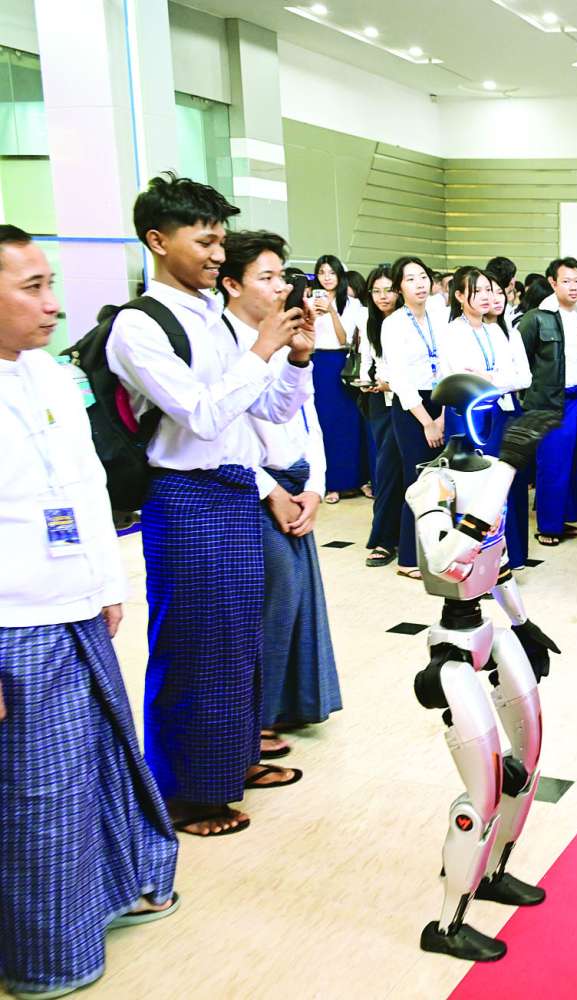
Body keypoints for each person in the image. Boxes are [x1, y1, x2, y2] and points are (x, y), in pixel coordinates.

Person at [0, 225, 180, 1000]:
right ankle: (47, 954)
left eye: (50, 283)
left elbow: (86, 484)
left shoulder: (49, 373)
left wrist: (107, 582)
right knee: (36, 793)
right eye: (32, 287)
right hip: (14, 626)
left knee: (100, 763)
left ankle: (111, 892)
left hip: (75, 605)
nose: (53, 303)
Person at [106, 174, 309, 836]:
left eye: (222, 241)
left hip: (232, 489)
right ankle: (184, 794)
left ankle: (232, 761)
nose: (219, 254)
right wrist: (261, 348)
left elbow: (267, 410)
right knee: (192, 648)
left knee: (237, 643)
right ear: (158, 241)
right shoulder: (140, 324)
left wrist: (295, 360)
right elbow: (199, 414)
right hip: (183, 497)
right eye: (205, 241)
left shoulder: (213, 318)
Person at [221, 234, 341, 747]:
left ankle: (285, 706)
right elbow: (227, 433)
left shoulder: (279, 339)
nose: (280, 288)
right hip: (254, 485)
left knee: (295, 599)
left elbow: (300, 417)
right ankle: (258, 717)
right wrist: (271, 490)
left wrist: (314, 486)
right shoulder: (226, 343)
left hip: (294, 480)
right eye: (266, 277)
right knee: (277, 596)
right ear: (231, 284)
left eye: (281, 277)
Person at [439, 266, 532, 564]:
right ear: (459, 296)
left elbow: (521, 378)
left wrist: (492, 378)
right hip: (467, 417)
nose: (485, 296)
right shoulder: (452, 332)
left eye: (488, 290)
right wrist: (497, 379)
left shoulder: (495, 330)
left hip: (497, 414)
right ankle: (471, 561)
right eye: (476, 291)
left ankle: (503, 558)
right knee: (474, 489)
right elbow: (464, 379)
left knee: (499, 486)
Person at [518, 257, 577, 547]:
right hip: (549, 402)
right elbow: (520, 360)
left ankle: (568, 519)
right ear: (552, 283)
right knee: (553, 463)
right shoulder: (537, 317)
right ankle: (548, 525)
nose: (574, 287)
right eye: (566, 281)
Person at [383, 255, 446, 578]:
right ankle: (409, 556)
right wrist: (428, 422)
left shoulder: (440, 313)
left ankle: (438, 550)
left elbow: (449, 363)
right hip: (412, 409)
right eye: (410, 279)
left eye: (423, 277)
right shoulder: (393, 324)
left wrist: (444, 413)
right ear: (399, 288)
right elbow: (400, 380)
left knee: (442, 482)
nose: (419, 284)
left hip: (442, 399)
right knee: (418, 480)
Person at [310, 253, 368, 504]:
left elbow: (345, 339)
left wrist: (332, 311)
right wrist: (312, 314)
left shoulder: (352, 304)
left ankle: (355, 480)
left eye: (331, 272)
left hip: (343, 363)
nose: (326, 277)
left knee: (350, 424)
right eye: (322, 273)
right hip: (318, 362)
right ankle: (330, 483)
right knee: (325, 424)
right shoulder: (309, 301)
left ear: (340, 275)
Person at [358, 264, 402, 568]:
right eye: (376, 291)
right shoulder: (370, 321)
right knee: (386, 469)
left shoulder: (409, 321)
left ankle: (407, 537)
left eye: (388, 290)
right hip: (380, 400)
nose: (382, 296)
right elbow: (366, 359)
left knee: (408, 471)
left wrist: (392, 382)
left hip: (407, 398)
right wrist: (367, 381)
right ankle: (384, 538)